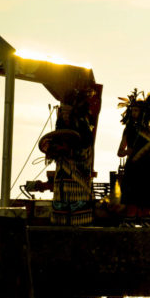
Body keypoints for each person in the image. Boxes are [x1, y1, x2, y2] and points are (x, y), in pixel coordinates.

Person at [46, 87, 98, 226]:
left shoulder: (82, 124)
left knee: (78, 205)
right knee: (61, 204)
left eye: (68, 110)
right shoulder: (61, 123)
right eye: (63, 110)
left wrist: (69, 151)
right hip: (62, 173)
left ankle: (78, 227)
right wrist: (52, 149)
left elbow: (86, 147)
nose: (65, 113)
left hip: (78, 172)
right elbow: (54, 142)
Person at [117, 89, 150, 228]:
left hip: (148, 167)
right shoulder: (128, 129)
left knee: (147, 195)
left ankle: (146, 218)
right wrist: (128, 151)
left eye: (136, 111)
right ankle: (130, 218)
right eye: (132, 110)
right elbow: (119, 152)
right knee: (131, 194)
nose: (134, 113)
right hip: (133, 166)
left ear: (144, 112)